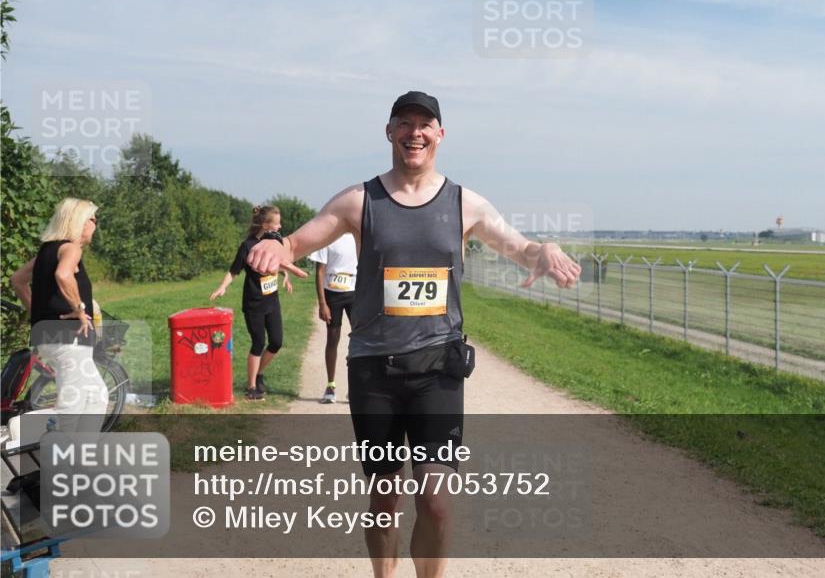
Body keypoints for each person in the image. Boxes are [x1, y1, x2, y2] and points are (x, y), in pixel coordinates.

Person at [247, 91, 581, 578]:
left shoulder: (465, 203)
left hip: (437, 369)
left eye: (425, 124)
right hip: (374, 371)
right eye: (404, 123)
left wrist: (543, 249)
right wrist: (278, 248)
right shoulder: (359, 200)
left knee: (436, 501)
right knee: (385, 499)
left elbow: (519, 247)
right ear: (389, 132)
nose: (415, 133)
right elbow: (299, 240)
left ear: (440, 135)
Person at [9, 198, 108, 431]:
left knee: (96, 395)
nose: (95, 225)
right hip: (69, 338)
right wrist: (79, 309)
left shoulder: (48, 251)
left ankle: (83, 449)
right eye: (94, 219)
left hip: (50, 336)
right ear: (82, 221)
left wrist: (38, 312)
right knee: (72, 405)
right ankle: (31, 435)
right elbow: (63, 275)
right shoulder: (71, 248)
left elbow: (17, 280)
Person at [210, 205, 292, 401]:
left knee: (276, 342)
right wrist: (223, 286)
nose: (280, 226)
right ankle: (252, 387)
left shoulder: (275, 241)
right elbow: (234, 271)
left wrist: (286, 276)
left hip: (272, 301)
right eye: (277, 223)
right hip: (254, 303)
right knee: (258, 343)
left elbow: (280, 263)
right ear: (265, 225)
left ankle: (258, 372)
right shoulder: (247, 246)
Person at [308, 233, 357, 404]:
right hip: (332, 294)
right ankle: (330, 386)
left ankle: (355, 387)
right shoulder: (328, 238)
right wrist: (322, 303)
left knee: (358, 340)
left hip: (355, 292)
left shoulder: (359, 235)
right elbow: (320, 271)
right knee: (332, 339)